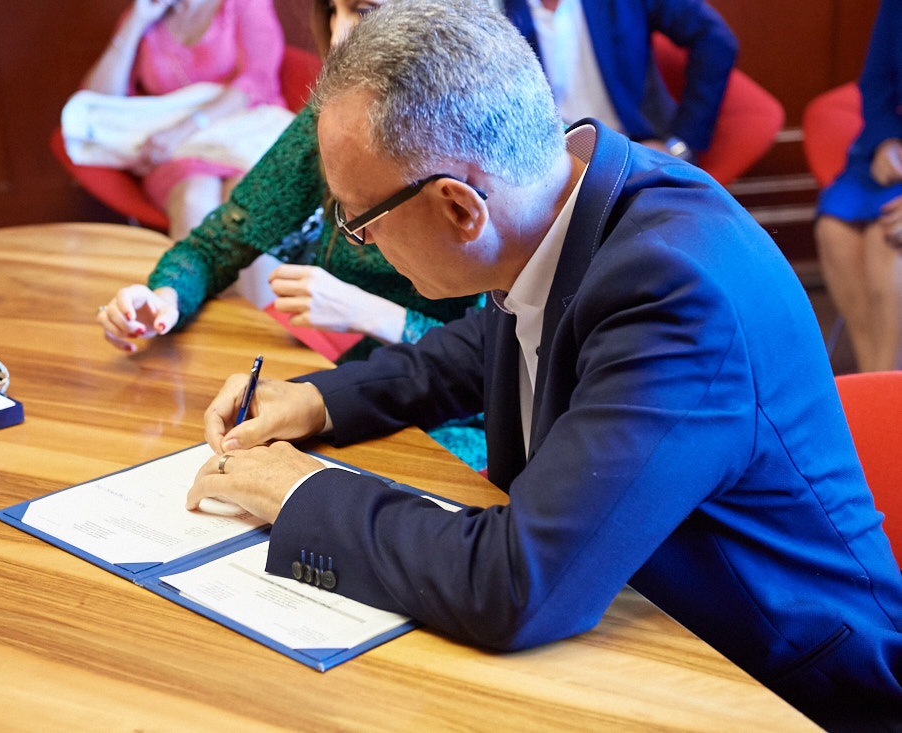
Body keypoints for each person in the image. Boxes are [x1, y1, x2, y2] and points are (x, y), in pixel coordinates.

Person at [187, 1, 902, 728]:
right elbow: (498, 339)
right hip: (637, 621)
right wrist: (322, 400)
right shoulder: (562, 193)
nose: (357, 242)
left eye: (359, 220)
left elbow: (516, 585)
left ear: (459, 209)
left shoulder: (676, 295)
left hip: (787, 690)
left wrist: (302, 492)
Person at [96, 0, 487, 470]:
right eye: (333, 11)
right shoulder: (334, 117)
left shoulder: (478, 137)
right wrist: (165, 300)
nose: (339, 36)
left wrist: (369, 312)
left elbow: (499, 361)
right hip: (361, 384)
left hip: (469, 417)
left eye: (364, 12)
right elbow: (219, 243)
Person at [80, 0, 288, 241]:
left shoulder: (244, 4)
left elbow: (257, 81)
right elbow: (97, 104)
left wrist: (183, 130)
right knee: (193, 198)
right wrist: (136, 21)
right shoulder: (148, 15)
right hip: (178, 155)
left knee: (245, 207)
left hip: (244, 140)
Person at [501, 0, 736, 162]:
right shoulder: (496, 9)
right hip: (545, 159)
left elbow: (716, 40)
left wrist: (681, 141)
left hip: (636, 149)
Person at [815, 0, 902, 373]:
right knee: (834, 229)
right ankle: (875, 377)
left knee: (887, 240)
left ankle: (886, 386)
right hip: (892, 146)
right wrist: (886, 141)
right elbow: (876, 80)